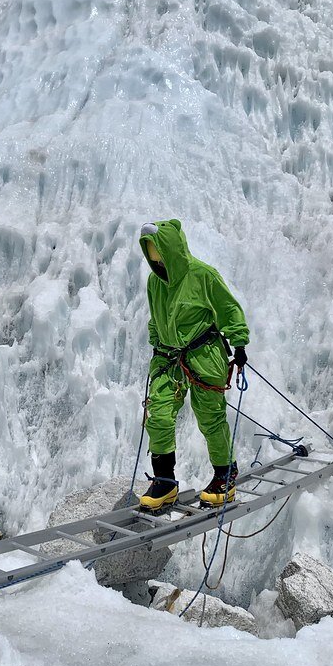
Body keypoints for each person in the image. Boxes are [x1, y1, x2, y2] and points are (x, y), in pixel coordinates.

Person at [137, 219, 249, 511]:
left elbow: (229, 309)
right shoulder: (154, 283)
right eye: (149, 252)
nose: (154, 257)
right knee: (158, 414)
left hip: (203, 352)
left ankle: (225, 475)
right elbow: (155, 318)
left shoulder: (203, 275)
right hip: (168, 357)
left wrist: (239, 345)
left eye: (157, 250)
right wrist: (155, 343)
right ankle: (164, 482)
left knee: (210, 417)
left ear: (171, 249)